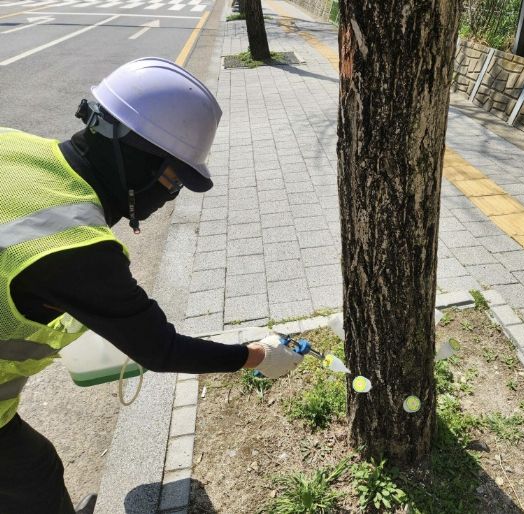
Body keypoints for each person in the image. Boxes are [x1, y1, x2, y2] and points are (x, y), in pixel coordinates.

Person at [0, 57, 303, 514]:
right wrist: (257, 355)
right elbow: (161, 350)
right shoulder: (75, 246)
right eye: (173, 180)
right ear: (138, 159)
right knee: (32, 474)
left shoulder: (13, 145)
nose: (169, 196)